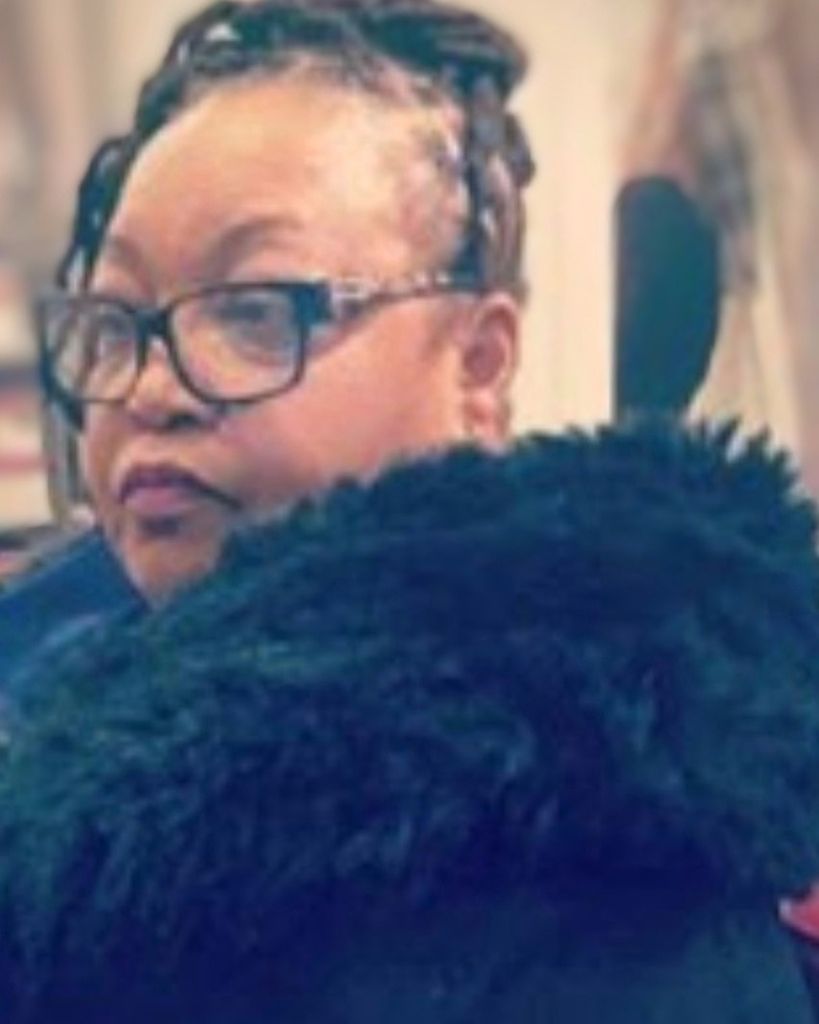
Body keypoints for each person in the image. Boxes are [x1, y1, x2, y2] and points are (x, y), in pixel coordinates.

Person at [2, 1, 819, 1021]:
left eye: (254, 310)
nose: (148, 389)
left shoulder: (591, 864)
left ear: (478, 365)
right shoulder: (59, 689)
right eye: (116, 320)